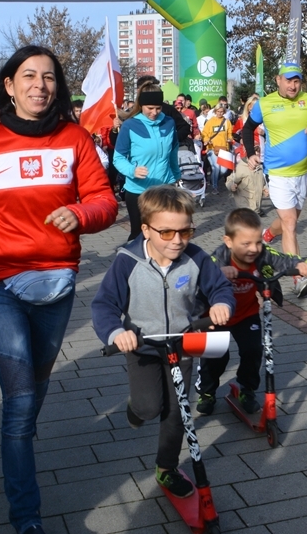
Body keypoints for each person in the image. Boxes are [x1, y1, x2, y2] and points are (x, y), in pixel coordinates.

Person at [0, 44, 117, 534]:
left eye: (49, 77)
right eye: (30, 76)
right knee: (18, 404)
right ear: (10, 86)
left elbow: (104, 201)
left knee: (32, 396)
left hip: (55, 284)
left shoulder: (75, 139)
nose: (40, 85)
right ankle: (26, 517)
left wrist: (80, 213)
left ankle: (19, 442)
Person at [91, 185, 234, 498]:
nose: (177, 240)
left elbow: (220, 288)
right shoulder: (127, 260)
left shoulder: (196, 258)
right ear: (146, 229)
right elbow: (104, 305)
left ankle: (166, 468)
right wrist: (116, 333)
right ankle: (137, 407)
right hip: (141, 346)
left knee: (177, 410)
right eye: (166, 232)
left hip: (182, 344)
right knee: (148, 407)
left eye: (186, 231)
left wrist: (221, 304)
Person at [197, 207, 307, 414]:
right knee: (216, 357)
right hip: (216, 317)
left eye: (258, 242)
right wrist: (220, 272)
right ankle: (207, 392)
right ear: (228, 241)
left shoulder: (261, 253)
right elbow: (204, 274)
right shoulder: (219, 257)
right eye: (246, 244)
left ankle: (247, 389)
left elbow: (283, 259)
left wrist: (300, 264)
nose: (253, 249)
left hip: (246, 313)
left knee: (253, 351)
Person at [241, 64, 307, 295]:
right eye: (288, 80)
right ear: (278, 80)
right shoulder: (265, 103)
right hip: (277, 173)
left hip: (302, 173)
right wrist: (251, 154)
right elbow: (247, 129)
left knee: (291, 219)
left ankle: (267, 235)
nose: (293, 85)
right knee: (290, 224)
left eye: (297, 81)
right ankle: (297, 277)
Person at [113, 86, 181, 241]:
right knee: (140, 236)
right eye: (150, 108)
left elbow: (173, 151)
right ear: (141, 105)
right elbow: (118, 158)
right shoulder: (130, 125)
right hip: (138, 190)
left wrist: (176, 174)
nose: (154, 112)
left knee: (164, 233)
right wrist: (132, 170)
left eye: (158, 108)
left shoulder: (169, 123)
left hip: (164, 188)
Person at [226, 95, 266, 211]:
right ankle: (247, 204)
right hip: (247, 151)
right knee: (247, 176)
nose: (253, 108)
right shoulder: (241, 120)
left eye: (256, 106)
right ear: (248, 107)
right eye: (252, 106)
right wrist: (241, 140)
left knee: (259, 177)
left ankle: (257, 205)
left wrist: (263, 133)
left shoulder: (264, 119)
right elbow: (233, 134)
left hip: (261, 149)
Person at [200, 103, 232, 193]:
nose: (220, 113)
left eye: (221, 111)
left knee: (224, 170)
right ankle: (215, 187)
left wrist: (230, 139)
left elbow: (229, 134)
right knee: (216, 167)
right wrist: (207, 140)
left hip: (224, 148)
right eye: (218, 111)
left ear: (224, 112)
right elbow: (204, 133)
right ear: (215, 111)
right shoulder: (210, 121)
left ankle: (213, 179)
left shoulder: (227, 122)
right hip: (212, 148)